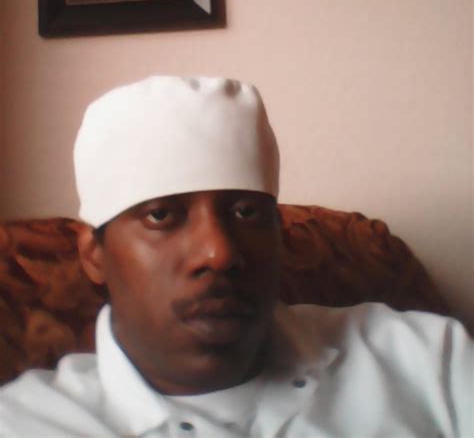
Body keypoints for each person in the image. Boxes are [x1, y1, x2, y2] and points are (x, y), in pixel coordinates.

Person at [0, 75, 472, 437]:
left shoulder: (426, 360)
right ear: (94, 255)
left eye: (246, 212)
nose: (220, 252)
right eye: (161, 215)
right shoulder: (26, 425)